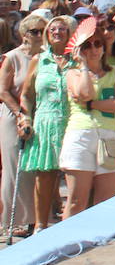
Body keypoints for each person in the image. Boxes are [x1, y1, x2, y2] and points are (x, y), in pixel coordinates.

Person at [60, 17, 115, 218]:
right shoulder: (73, 73)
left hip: (109, 136)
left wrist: (91, 105)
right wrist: (83, 66)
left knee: (105, 202)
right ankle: (65, 245)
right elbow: (85, 93)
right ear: (79, 49)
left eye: (98, 43)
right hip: (81, 134)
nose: (94, 49)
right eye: (87, 45)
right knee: (76, 201)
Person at [19, 16, 72, 233]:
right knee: (45, 176)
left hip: (72, 122)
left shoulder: (78, 60)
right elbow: (26, 95)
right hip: (45, 122)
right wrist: (25, 119)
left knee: (74, 177)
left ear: (69, 34)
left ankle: (72, 224)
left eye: (62, 29)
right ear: (47, 35)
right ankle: (41, 226)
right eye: (53, 29)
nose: (57, 32)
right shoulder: (38, 60)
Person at [1, 15, 47, 237]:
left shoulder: (46, 57)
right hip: (13, 115)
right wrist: (20, 113)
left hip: (40, 115)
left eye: (42, 30)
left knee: (33, 167)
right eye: (35, 31)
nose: (40, 35)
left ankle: (32, 219)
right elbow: (3, 90)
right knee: (13, 167)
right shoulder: (12, 57)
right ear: (25, 34)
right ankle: (12, 221)